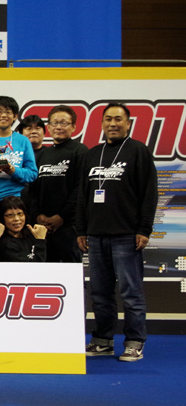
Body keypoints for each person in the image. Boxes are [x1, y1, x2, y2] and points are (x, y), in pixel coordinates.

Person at [77, 103, 157, 362]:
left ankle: (135, 342)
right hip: (95, 236)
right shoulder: (93, 154)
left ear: (128, 123)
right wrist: (81, 229)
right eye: (108, 119)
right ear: (101, 124)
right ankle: (103, 340)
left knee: (131, 293)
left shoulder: (138, 151)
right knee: (100, 293)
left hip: (126, 235)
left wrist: (144, 229)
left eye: (118, 119)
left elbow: (149, 193)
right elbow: (83, 196)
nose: (113, 123)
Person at [29, 105, 88, 263]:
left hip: (69, 226)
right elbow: (32, 189)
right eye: (54, 123)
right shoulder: (43, 154)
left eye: (64, 123)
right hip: (43, 227)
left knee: (71, 271)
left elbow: (80, 189)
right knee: (46, 271)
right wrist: (37, 216)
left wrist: (61, 217)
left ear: (73, 127)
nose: (59, 127)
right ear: (48, 127)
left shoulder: (80, 151)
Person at [0, 196, 47, 262]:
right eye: (10, 215)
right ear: (2, 218)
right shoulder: (6, 244)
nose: (16, 219)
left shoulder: (32, 235)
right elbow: (35, 267)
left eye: (20, 214)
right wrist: (40, 241)